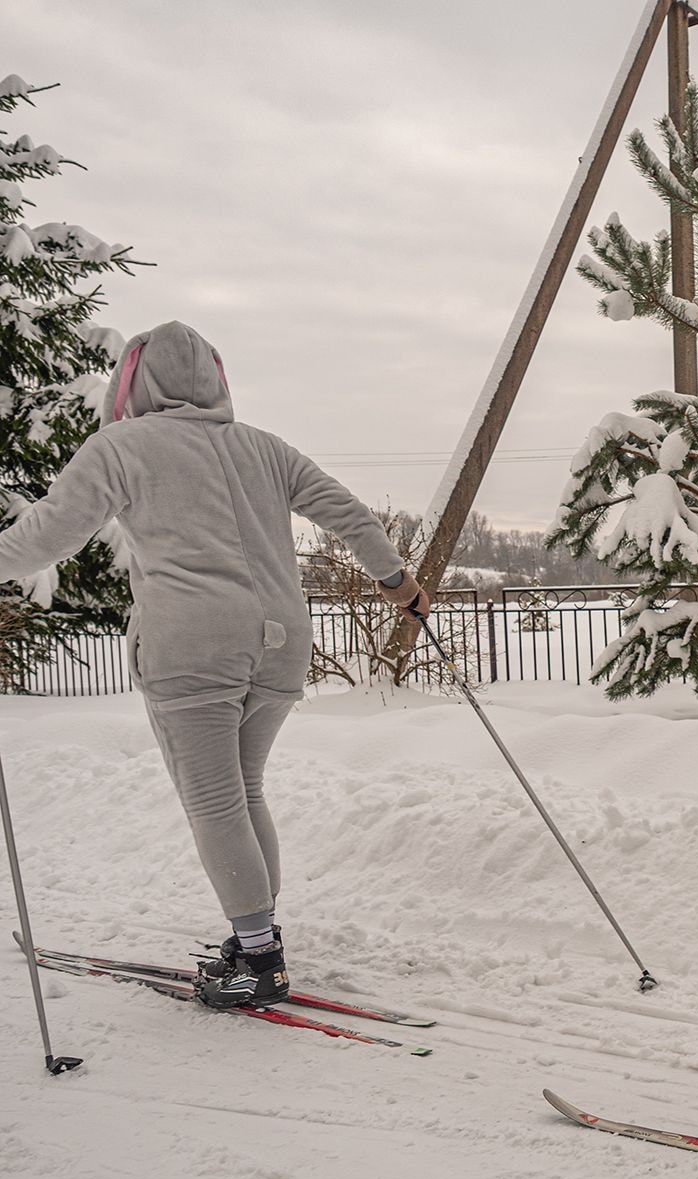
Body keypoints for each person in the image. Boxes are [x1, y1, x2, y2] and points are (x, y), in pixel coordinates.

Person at [0, 321, 428, 1008]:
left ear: (132, 381)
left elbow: (49, 533)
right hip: (282, 640)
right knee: (245, 789)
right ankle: (257, 935)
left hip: (192, 643)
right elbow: (348, 513)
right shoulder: (263, 447)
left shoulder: (122, 446)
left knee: (214, 799)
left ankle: (257, 961)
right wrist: (398, 583)